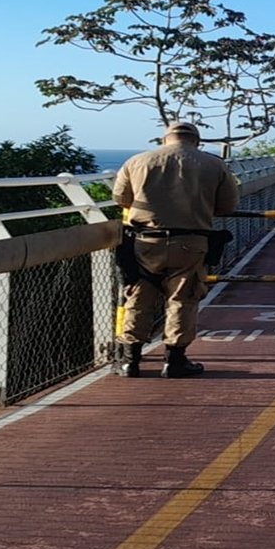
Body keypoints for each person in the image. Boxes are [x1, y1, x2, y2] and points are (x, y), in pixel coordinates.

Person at [111, 121, 240, 378]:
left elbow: (121, 198)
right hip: (191, 242)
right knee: (183, 298)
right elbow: (227, 206)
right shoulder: (214, 164)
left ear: (165, 139)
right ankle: (174, 361)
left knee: (138, 295)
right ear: (197, 141)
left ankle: (129, 360)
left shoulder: (138, 161)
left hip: (145, 241)